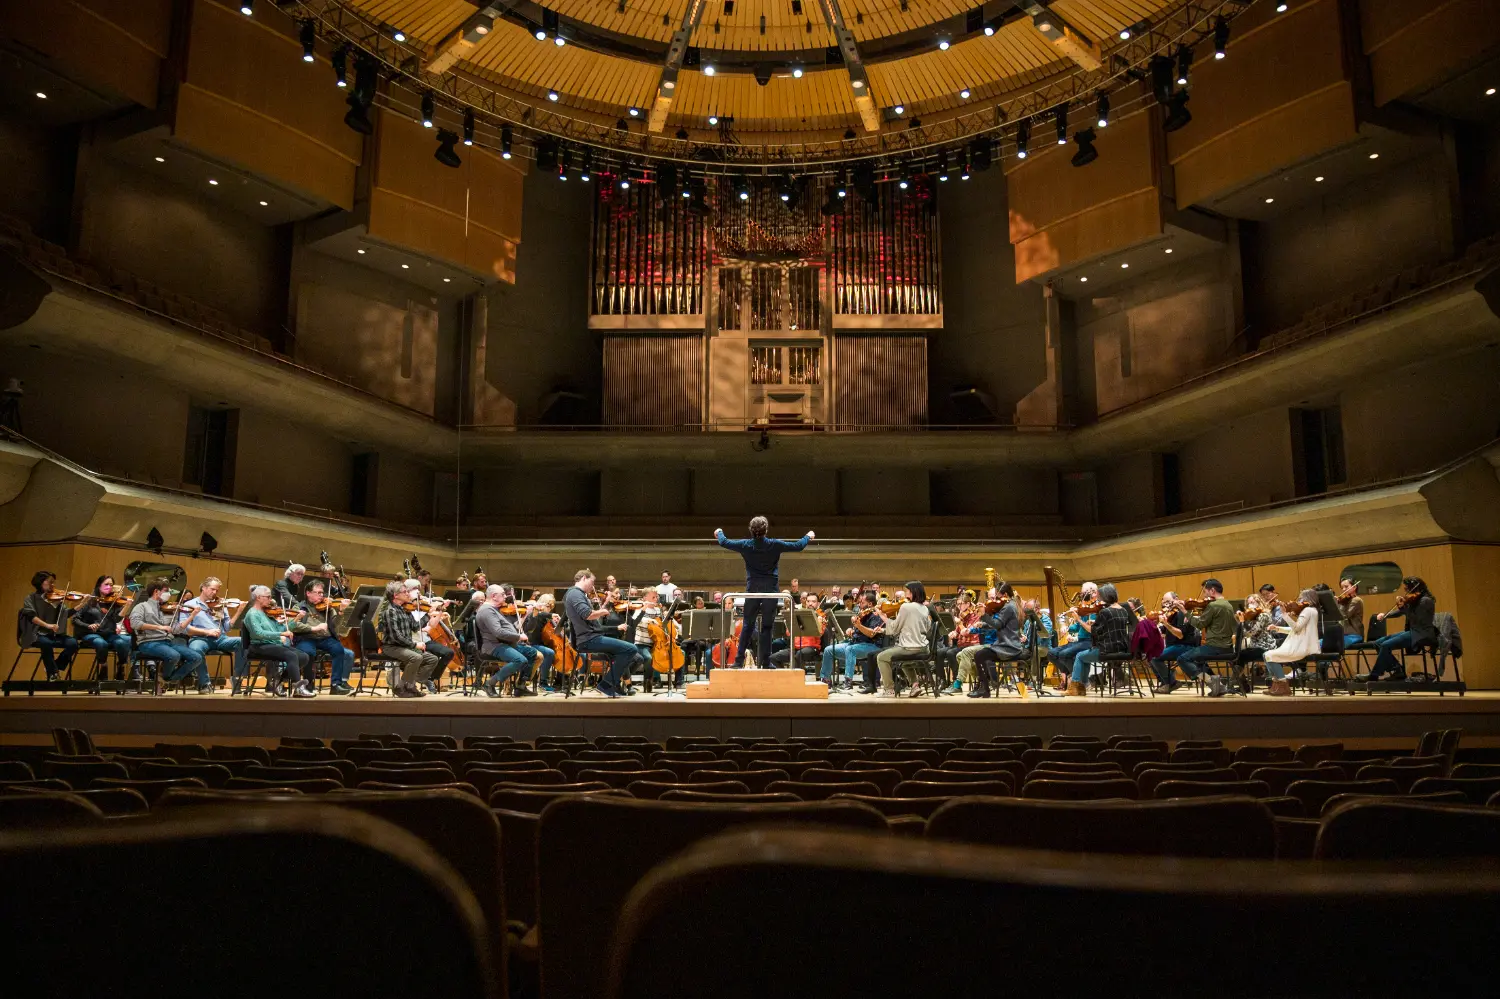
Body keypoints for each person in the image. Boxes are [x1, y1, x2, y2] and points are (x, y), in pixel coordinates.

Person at [714, 517, 815, 669]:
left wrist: (719, 532)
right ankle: (766, 663)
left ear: (751, 530)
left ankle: (738, 662)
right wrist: (808, 535)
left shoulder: (745, 545)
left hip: (753, 589)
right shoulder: (774, 544)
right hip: (771, 591)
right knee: (767, 627)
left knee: (748, 625)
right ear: (766, 530)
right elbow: (798, 546)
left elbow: (724, 542)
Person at [564, 569, 637, 698]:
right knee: (631, 649)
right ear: (584, 578)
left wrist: (614, 626)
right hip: (588, 640)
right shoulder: (575, 593)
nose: (593, 586)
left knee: (626, 654)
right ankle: (606, 685)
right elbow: (587, 614)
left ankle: (613, 686)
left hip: (591, 637)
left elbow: (596, 625)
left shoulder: (578, 594)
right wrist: (602, 612)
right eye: (592, 582)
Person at [129, 579, 209, 693]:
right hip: (148, 642)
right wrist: (160, 627)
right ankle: (166, 679)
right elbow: (135, 624)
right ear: (156, 592)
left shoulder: (169, 608)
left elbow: (176, 629)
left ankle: (167, 680)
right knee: (174, 655)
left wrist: (192, 616)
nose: (169, 594)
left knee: (196, 657)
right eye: (166, 591)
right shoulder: (141, 606)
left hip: (168, 642)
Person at [1161, 579, 1237, 694]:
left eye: (1205, 592)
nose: (1204, 595)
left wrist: (1185, 611)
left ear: (1212, 590)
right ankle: (1217, 684)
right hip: (1228, 647)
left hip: (1214, 647)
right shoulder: (1228, 605)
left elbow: (1199, 624)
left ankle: (1211, 681)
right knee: (1197, 658)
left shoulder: (1213, 606)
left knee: (1183, 658)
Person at [178, 577, 248, 694]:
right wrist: (207, 632)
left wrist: (238, 612)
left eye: (217, 590)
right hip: (200, 638)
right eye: (212, 589)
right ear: (203, 588)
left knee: (242, 641)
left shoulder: (219, 604)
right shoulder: (190, 604)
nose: (215, 593)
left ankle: (237, 680)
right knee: (195, 649)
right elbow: (186, 629)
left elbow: (226, 628)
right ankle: (205, 683)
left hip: (221, 639)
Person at [242, 585, 313, 697]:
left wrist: (296, 619)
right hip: (258, 647)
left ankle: (278, 681)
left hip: (272, 645)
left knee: (304, 657)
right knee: (291, 655)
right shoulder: (252, 614)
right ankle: (298, 688)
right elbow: (258, 634)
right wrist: (280, 634)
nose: (270, 600)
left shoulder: (267, 613)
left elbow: (281, 628)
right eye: (268, 597)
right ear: (258, 597)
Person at [1361, 576, 1436, 682]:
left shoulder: (1425, 601)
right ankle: (1398, 671)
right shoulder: (1415, 600)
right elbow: (1401, 612)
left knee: (1385, 645)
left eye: (1407, 589)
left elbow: (1416, 618)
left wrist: (1403, 607)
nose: (1406, 591)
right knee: (1378, 643)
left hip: (1422, 633)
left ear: (1414, 587)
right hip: (1414, 631)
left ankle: (1374, 674)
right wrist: (1386, 615)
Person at [290, 579, 355, 695]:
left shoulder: (328, 608)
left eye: (322, 593)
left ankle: (336, 685)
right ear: (308, 593)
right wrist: (313, 628)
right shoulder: (299, 607)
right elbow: (294, 626)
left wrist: (340, 612)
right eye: (318, 593)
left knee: (338, 649)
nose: (321, 596)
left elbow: (336, 626)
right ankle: (308, 685)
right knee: (308, 653)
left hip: (324, 638)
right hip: (306, 637)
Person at [1068, 584, 1135, 697]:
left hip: (1107, 650)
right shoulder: (1123, 610)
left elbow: (1092, 631)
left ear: (1105, 596)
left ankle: (1076, 687)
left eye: (1099, 597)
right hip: (1122, 648)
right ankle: (1082, 687)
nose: (1098, 599)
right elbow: (1110, 627)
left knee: (1079, 656)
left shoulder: (1105, 612)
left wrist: (1079, 620)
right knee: (1084, 657)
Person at [375, 581, 438, 698]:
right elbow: (396, 637)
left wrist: (428, 615)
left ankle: (410, 685)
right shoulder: (390, 612)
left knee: (432, 659)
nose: (408, 594)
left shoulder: (405, 610)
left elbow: (415, 626)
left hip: (404, 646)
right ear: (395, 595)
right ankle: (400, 687)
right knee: (416, 657)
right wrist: (415, 645)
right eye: (405, 592)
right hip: (392, 647)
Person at [475, 585, 539, 698]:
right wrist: (518, 637)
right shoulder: (487, 611)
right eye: (503, 594)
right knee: (520, 660)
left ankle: (520, 686)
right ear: (494, 596)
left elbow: (506, 628)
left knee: (532, 653)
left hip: (504, 643)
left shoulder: (494, 609)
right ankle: (490, 683)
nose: (506, 596)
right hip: (494, 646)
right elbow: (498, 632)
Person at [874, 581, 932, 697]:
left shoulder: (906, 607)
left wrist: (882, 616)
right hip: (924, 648)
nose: (906, 593)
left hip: (910, 648)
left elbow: (895, 629)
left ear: (913, 592)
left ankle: (889, 689)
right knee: (905, 662)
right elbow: (926, 628)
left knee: (881, 657)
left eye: (907, 591)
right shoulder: (924, 608)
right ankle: (915, 686)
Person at [20, 571, 80, 681]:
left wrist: (82, 604)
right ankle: (52, 674)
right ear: (40, 582)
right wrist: (47, 625)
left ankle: (55, 667)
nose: (53, 585)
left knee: (73, 643)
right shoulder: (30, 598)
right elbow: (31, 617)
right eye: (50, 582)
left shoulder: (56, 599)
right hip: (36, 633)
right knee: (46, 643)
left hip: (54, 634)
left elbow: (66, 614)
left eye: (54, 583)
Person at [965, 585, 1023, 699]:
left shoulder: (1009, 607)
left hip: (1009, 647)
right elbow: (999, 624)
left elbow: (997, 624)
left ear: (1005, 595)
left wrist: (983, 615)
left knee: (979, 655)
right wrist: (984, 624)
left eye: (998, 596)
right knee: (981, 655)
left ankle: (985, 689)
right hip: (1007, 644)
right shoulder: (1012, 605)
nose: (996, 599)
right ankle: (984, 687)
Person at [72, 575, 131, 681]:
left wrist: (126, 606)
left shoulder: (114, 602)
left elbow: (117, 619)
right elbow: (75, 619)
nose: (109, 587)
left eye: (111, 585)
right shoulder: (90, 601)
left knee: (122, 643)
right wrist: (88, 625)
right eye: (106, 584)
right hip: (90, 634)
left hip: (109, 634)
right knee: (101, 643)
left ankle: (121, 666)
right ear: (99, 586)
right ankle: (103, 667)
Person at [822, 590, 883, 689]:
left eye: (862, 603)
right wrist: (851, 630)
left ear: (870, 604)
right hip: (855, 644)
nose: (859, 605)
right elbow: (857, 632)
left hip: (871, 646)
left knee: (850, 650)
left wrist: (858, 626)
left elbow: (871, 634)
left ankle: (848, 682)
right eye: (859, 602)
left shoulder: (876, 615)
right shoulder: (861, 615)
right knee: (828, 650)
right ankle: (825, 680)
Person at [1263, 588, 1321, 687]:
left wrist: (1284, 614)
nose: (1299, 601)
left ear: (1307, 598)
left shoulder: (1307, 610)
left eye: (1300, 598)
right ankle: (1278, 684)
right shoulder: (1312, 610)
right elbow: (1297, 629)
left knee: (1268, 655)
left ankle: (1282, 684)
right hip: (1304, 645)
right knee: (1267, 655)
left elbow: (1297, 628)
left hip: (1302, 647)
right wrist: (1277, 628)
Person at [1046, 582, 1099, 682]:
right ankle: (1072, 676)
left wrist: (1078, 619)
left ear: (1094, 593)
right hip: (1080, 641)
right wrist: (1066, 627)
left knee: (1064, 654)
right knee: (1051, 653)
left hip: (1090, 641)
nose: (1082, 596)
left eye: (1083, 593)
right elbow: (1078, 627)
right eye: (1082, 594)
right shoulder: (1085, 607)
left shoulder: (1096, 608)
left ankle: (1080, 681)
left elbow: (1090, 629)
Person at [1149, 592, 1199, 690]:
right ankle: (1165, 683)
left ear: (1176, 599)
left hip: (1184, 647)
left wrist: (1165, 623)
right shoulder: (1171, 615)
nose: (1166, 605)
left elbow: (1180, 635)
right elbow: (1162, 631)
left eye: (1168, 602)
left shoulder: (1181, 613)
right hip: (1174, 647)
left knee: (1154, 657)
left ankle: (1171, 683)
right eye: (1164, 602)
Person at [941, 591, 981, 693]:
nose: (959, 606)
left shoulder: (975, 616)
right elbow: (959, 632)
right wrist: (954, 634)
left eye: (961, 604)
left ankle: (957, 682)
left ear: (968, 604)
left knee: (951, 653)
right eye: (958, 604)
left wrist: (960, 624)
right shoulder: (961, 615)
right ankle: (943, 680)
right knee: (939, 652)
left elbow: (968, 633)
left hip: (972, 644)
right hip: (962, 644)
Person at [520, 593, 559, 691]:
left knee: (560, 653)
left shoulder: (546, 618)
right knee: (549, 653)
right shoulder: (535, 614)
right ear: (543, 604)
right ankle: (543, 682)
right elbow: (541, 615)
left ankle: (560, 681)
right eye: (549, 606)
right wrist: (551, 615)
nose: (550, 608)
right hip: (532, 644)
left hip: (541, 644)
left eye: (552, 606)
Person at [1336, 578, 1365, 647]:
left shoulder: (1356, 600)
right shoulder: (1345, 601)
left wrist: (1339, 604)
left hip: (1354, 635)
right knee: (1322, 642)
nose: (1343, 589)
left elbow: (1344, 616)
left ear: (1354, 587)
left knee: (1333, 645)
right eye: (1342, 587)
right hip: (1344, 635)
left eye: (1346, 587)